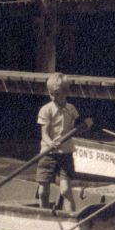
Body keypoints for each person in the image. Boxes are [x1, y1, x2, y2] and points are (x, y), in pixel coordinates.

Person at [36, 72, 79, 212]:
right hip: (48, 154)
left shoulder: (71, 110)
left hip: (65, 154)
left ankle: (71, 218)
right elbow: (44, 134)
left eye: (57, 94)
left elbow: (75, 129)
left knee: (65, 190)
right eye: (51, 94)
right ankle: (43, 216)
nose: (54, 97)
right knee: (43, 192)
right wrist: (50, 143)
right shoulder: (46, 110)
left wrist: (86, 125)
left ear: (66, 93)